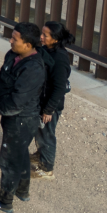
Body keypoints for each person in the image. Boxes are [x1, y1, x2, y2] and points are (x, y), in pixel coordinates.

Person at [0, 22, 46, 213]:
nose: (10, 41)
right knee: (20, 154)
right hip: (13, 116)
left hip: (21, 119)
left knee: (10, 159)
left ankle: (4, 200)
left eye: (15, 39)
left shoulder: (33, 68)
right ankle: (22, 190)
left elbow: (18, 101)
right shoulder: (13, 56)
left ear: (28, 45)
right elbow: (2, 79)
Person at [31, 21, 75, 180]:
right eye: (41, 33)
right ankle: (40, 154)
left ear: (55, 39)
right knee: (40, 131)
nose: (41, 37)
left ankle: (46, 168)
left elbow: (59, 88)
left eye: (45, 35)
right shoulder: (46, 50)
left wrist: (48, 110)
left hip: (50, 106)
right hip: (42, 101)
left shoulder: (60, 59)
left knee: (47, 135)